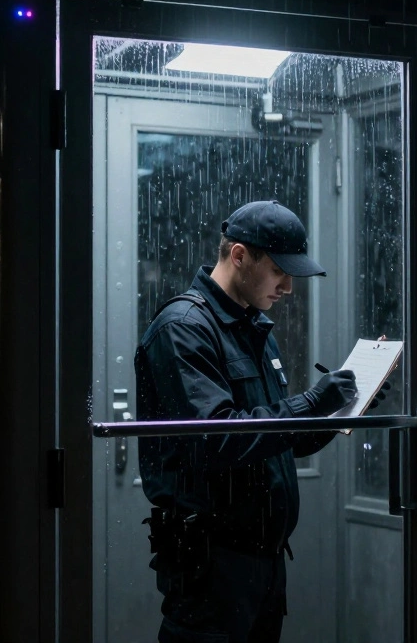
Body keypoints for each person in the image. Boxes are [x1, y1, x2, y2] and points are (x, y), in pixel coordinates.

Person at [135, 200, 370, 643]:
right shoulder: (184, 327)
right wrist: (310, 404)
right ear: (239, 256)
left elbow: (280, 441)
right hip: (212, 567)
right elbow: (217, 439)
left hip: (263, 563)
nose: (288, 287)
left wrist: (343, 408)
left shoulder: (255, 328)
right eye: (280, 271)